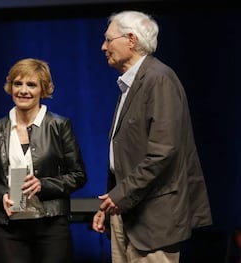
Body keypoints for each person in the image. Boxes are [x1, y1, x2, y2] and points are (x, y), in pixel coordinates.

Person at [91, 10, 212, 263]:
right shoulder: (131, 84)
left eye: (109, 39)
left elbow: (163, 152)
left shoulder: (159, 79)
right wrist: (111, 202)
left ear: (131, 40)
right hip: (126, 213)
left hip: (153, 219)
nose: (103, 47)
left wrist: (118, 195)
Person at [0, 58, 87, 263]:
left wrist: (42, 185)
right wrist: (2, 194)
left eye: (31, 85)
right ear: (10, 87)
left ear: (43, 89)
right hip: (10, 226)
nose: (23, 90)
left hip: (51, 224)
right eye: (17, 83)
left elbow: (78, 175)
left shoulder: (59, 125)